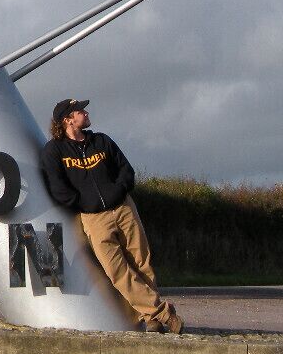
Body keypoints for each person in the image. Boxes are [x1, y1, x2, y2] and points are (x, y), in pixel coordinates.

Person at [41, 97, 184, 334]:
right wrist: (85, 203)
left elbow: (126, 171)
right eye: (80, 111)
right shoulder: (54, 151)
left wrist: (118, 191)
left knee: (142, 263)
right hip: (94, 218)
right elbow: (58, 189)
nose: (86, 113)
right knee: (116, 271)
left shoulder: (101, 141)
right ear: (68, 119)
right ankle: (163, 313)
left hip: (124, 208)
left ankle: (150, 318)